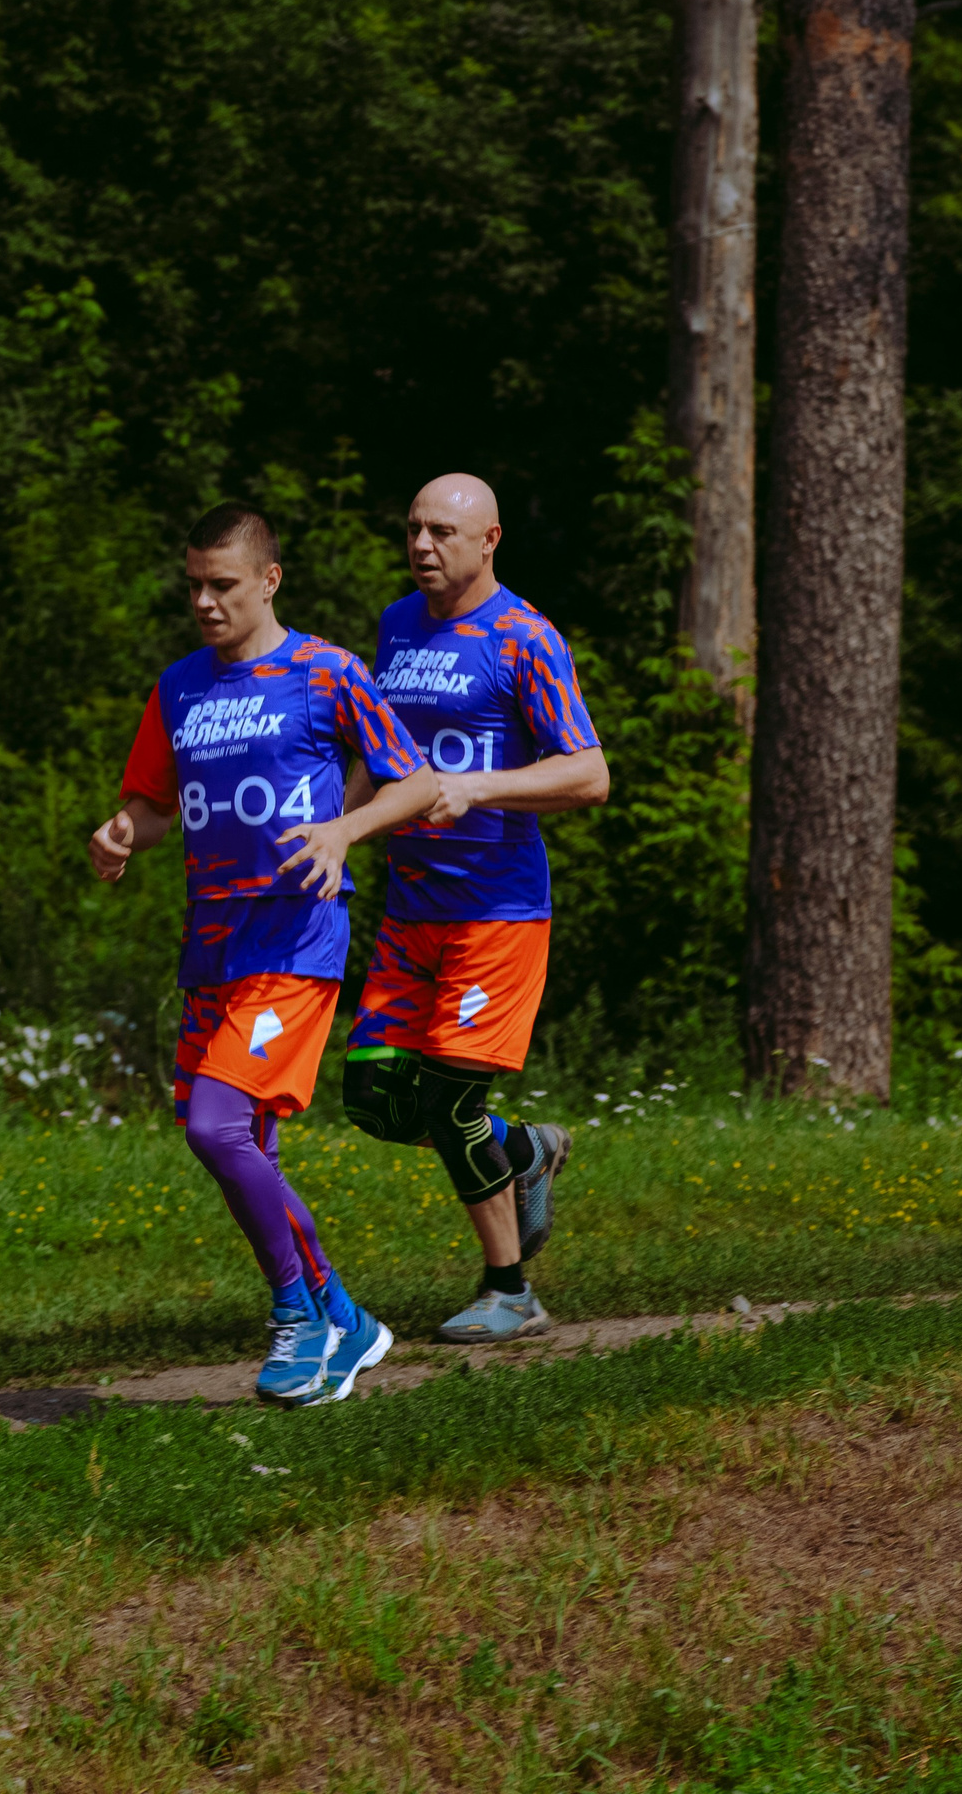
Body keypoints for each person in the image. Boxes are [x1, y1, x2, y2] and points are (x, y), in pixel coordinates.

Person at [88, 503, 440, 1407]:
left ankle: (299, 1316)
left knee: (215, 1127)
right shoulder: (178, 689)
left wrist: (344, 831)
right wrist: (125, 830)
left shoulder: (328, 673)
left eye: (223, 585)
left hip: (297, 938)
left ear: (269, 580)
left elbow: (417, 781)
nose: (205, 603)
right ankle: (344, 1319)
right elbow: (156, 808)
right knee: (249, 1150)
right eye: (194, 587)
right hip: (212, 947)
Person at [341, 473, 609, 1343]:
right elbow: (379, 745)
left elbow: (588, 773)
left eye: (443, 533)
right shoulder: (395, 625)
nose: (423, 546)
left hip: (496, 914)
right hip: (410, 910)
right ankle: (525, 1150)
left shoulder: (526, 638)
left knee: (452, 1104)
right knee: (374, 1096)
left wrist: (479, 788)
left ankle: (511, 1290)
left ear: (489, 540)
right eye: (414, 529)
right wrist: (341, 832)